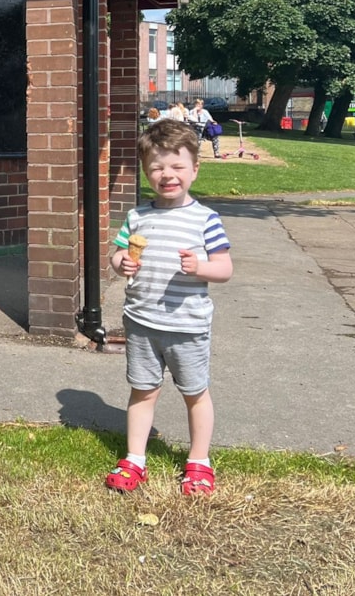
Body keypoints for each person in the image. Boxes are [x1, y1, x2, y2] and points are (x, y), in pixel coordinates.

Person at [106, 120, 234, 496]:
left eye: (177, 167)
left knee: (195, 392)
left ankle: (198, 461)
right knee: (143, 390)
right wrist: (120, 264)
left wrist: (201, 267)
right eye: (157, 167)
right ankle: (135, 458)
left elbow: (225, 268)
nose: (167, 175)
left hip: (187, 324)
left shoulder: (205, 219)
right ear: (146, 172)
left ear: (195, 168)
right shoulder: (137, 216)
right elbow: (117, 255)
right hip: (142, 321)